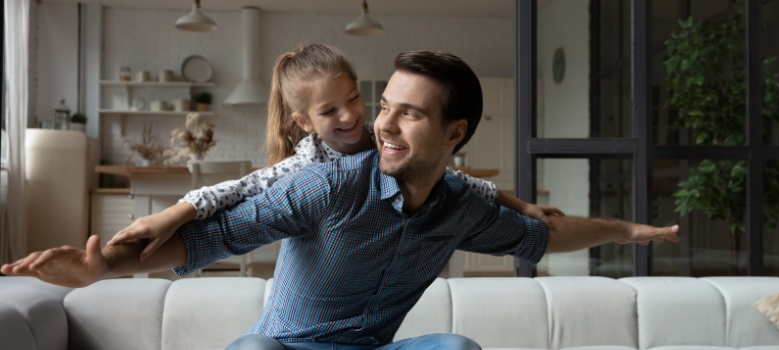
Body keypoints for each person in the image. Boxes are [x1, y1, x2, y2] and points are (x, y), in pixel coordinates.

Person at [1, 50, 680, 350]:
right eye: (382, 106)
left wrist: (625, 228)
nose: (378, 122)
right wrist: (101, 271)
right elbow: (215, 234)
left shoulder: (460, 205)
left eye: (406, 115)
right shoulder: (324, 182)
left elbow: (546, 237)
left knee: (456, 348)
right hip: (283, 347)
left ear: (455, 134)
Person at [106, 43, 564, 262]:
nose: (349, 117)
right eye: (329, 111)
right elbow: (242, 188)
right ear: (304, 122)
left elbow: (458, 180)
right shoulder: (309, 163)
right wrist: (175, 214)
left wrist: (520, 205)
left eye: (354, 100)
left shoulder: (380, 139)